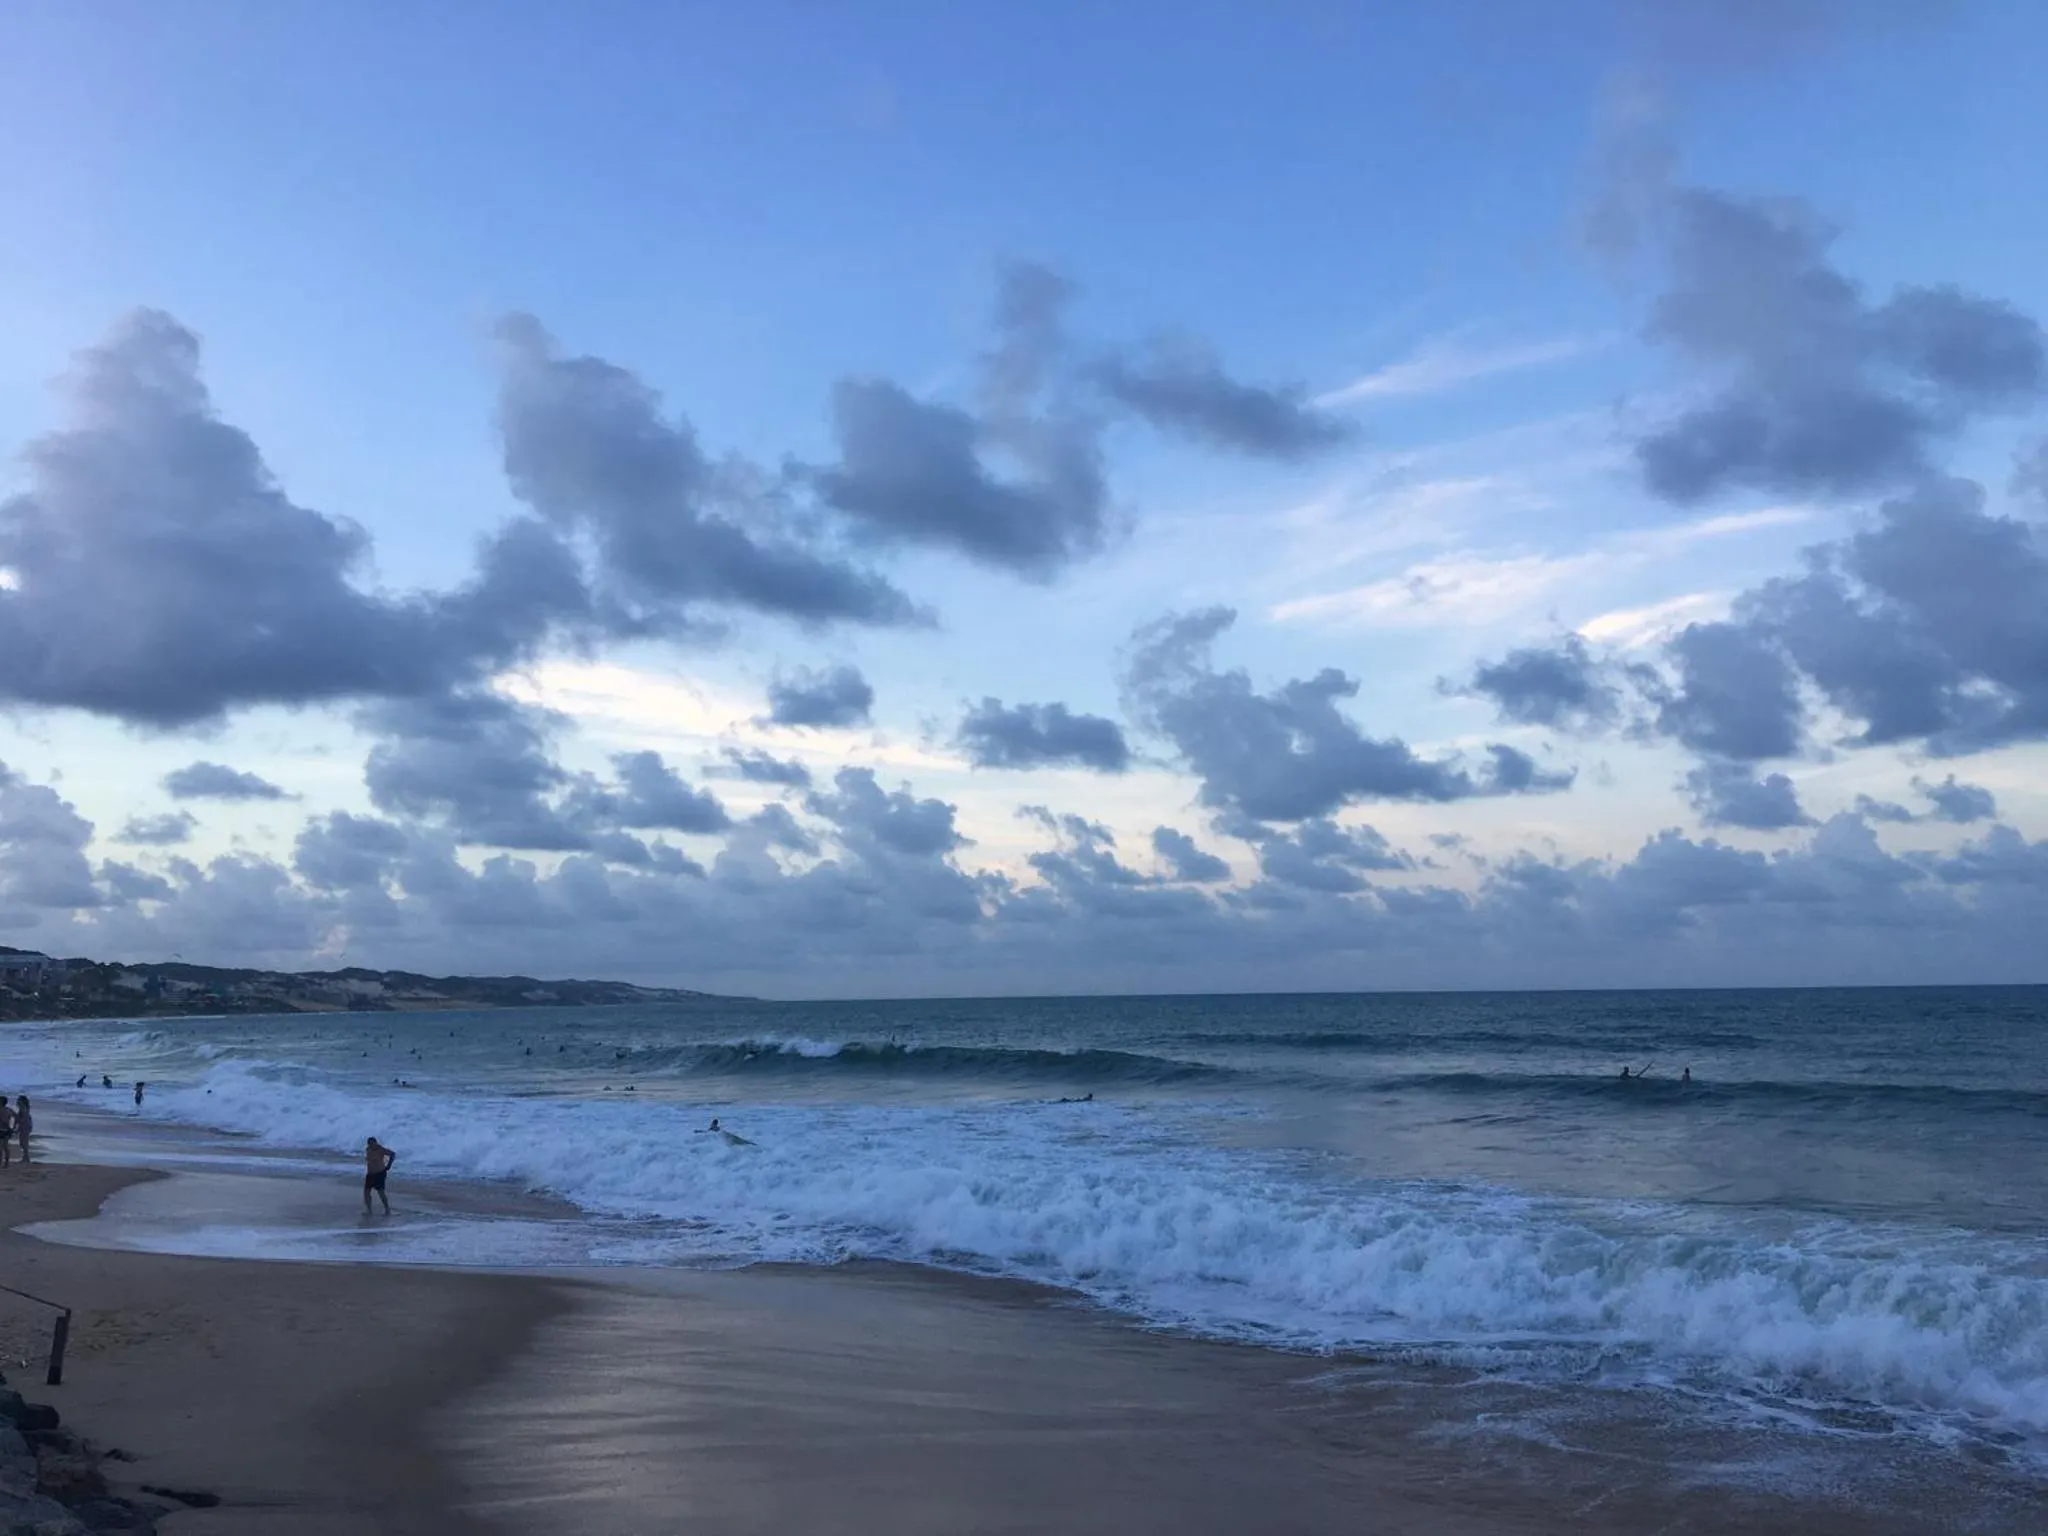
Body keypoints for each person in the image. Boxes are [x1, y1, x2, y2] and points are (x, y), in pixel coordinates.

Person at [363, 1136, 397, 1215]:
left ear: (376, 1143)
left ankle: (387, 1209)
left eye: (372, 1144)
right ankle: (369, 1210)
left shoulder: (380, 1149)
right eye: (369, 1144)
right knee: (366, 1192)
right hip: (370, 1174)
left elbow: (392, 1154)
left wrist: (389, 1165)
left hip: (379, 1173)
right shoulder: (368, 1149)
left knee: (380, 1192)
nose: (371, 1146)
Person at [14, 1096, 31, 1164]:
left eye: (19, 1100)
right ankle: (25, 1157)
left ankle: (26, 1158)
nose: (18, 1101)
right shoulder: (23, 1108)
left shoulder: (23, 1108)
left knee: (24, 1142)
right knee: (23, 1142)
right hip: (25, 1126)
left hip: (25, 1126)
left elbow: (24, 1118)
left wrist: (18, 1123)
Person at [0, 1099, 13, 1169]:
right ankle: (6, 1163)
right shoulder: (8, 1110)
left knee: (1, 1147)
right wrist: (12, 1127)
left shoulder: (1, 1110)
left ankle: (3, 1163)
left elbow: (4, 1120)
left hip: (2, 1130)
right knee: (5, 1147)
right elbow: (16, 1116)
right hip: (7, 1130)